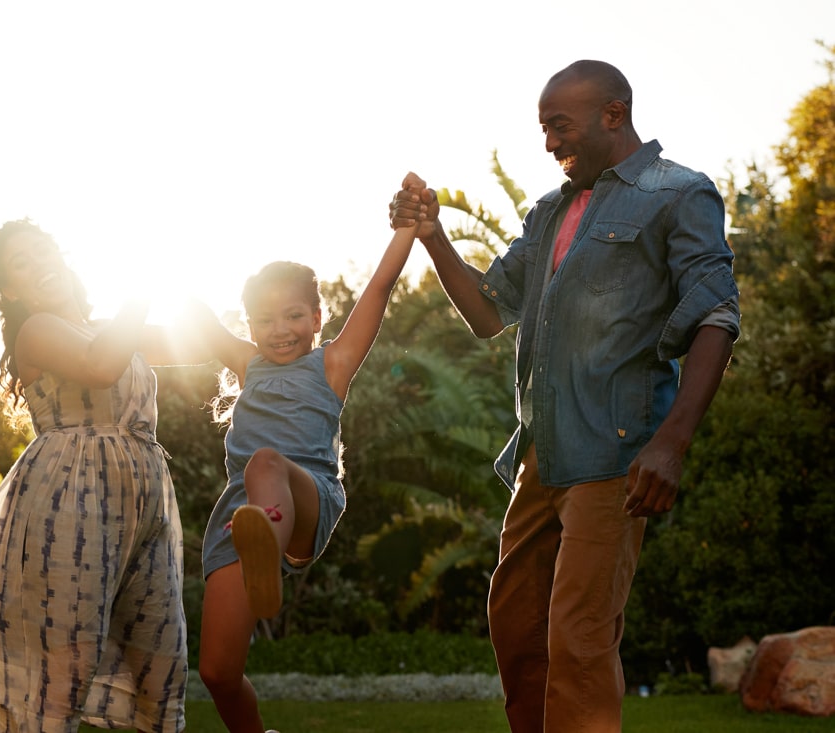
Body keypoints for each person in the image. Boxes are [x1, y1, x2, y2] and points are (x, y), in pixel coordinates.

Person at [390, 61, 740, 732]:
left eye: (560, 125)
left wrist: (671, 441)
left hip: (613, 461)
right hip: (540, 461)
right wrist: (433, 234)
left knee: (578, 642)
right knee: (517, 628)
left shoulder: (678, 193)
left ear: (613, 114)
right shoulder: (549, 211)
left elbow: (716, 316)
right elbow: (489, 313)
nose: (549, 143)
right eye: (543, 128)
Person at [0, 219, 207, 733]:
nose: (39, 263)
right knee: (64, 676)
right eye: (20, 263)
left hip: (145, 507)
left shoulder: (113, 330)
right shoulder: (37, 330)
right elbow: (100, 365)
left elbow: (197, 343)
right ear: (10, 290)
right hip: (69, 503)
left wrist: (268, 348)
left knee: (166, 668)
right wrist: (147, 279)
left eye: (42, 250)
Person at [191, 174, 423, 733]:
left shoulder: (332, 366)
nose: (281, 330)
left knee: (266, 462)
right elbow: (194, 317)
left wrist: (408, 229)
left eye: (294, 315)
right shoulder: (248, 366)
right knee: (217, 673)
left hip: (306, 497)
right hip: (240, 516)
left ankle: (265, 553)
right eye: (265, 320)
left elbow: (381, 288)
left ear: (317, 318)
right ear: (249, 326)